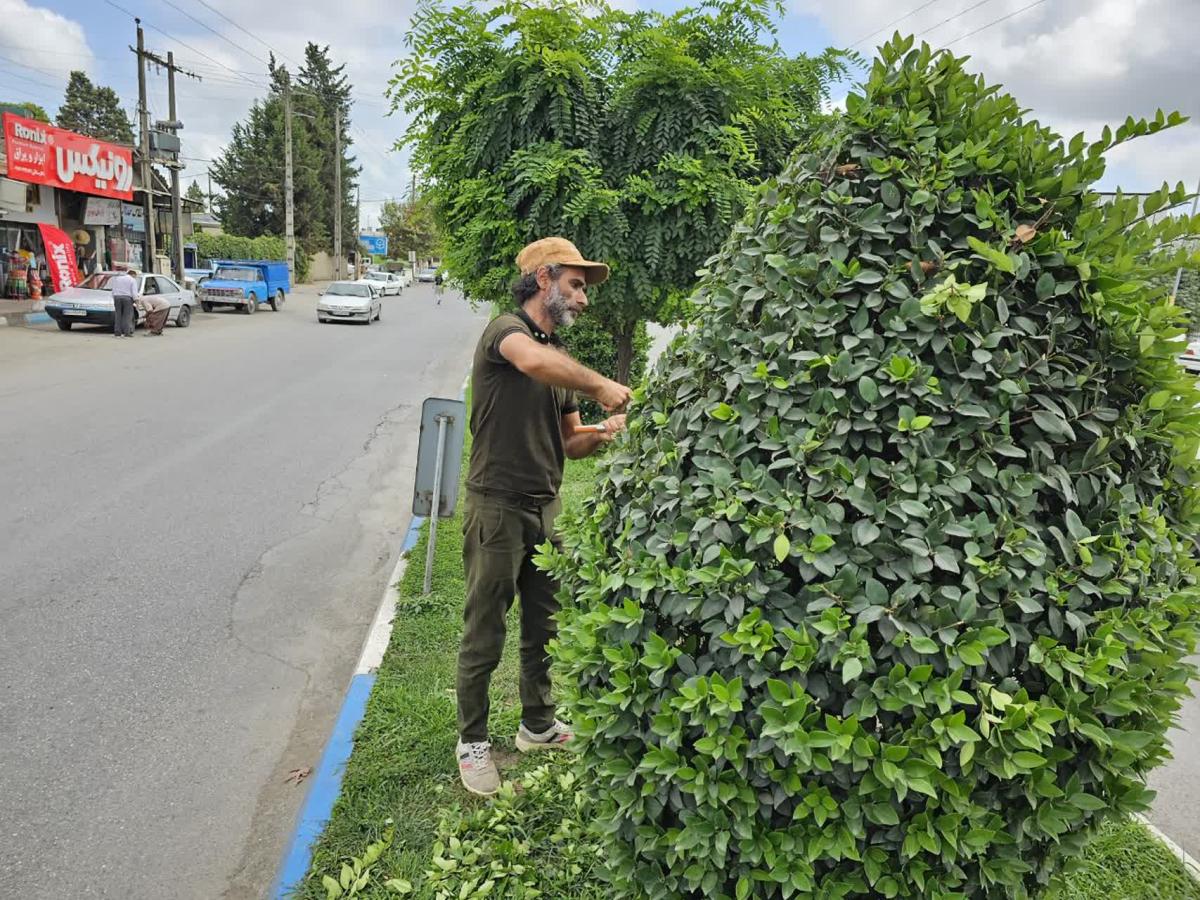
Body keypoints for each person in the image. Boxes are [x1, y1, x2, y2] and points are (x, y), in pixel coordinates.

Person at [456, 236, 633, 797]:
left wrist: (603, 434)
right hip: (496, 504)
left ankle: (537, 723)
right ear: (544, 279)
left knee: (544, 624)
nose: (584, 299)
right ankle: (473, 741)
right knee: (486, 627)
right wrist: (601, 382)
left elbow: (570, 443)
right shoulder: (505, 333)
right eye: (577, 285)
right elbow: (530, 360)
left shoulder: (558, 361)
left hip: (544, 505)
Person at [110, 266, 139, 338]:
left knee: (118, 315)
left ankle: (117, 333)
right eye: (135, 276)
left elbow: (113, 290)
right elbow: (134, 292)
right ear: (133, 275)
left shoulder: (117, 279)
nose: (135, 278)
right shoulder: (132, 280)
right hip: (127, 298)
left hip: (117, 297)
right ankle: (127, 333)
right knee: (127, 316)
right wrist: (136, 301)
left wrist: (114, 298)